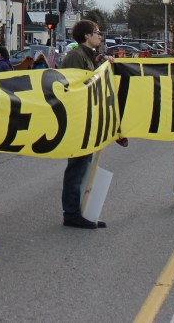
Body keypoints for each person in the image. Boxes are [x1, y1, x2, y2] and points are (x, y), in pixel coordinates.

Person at [59, 19, 126, 229]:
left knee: (84, 167)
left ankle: (82, 210)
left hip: (88, 119)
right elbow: (73, 87)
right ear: (86, 36)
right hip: (79, 120)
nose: (100, 36)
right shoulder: (76, 57)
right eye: (96, 32)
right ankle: (71, 213)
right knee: (77, 168)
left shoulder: (89, 57)